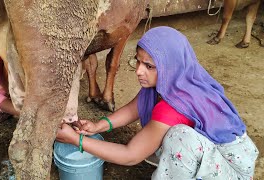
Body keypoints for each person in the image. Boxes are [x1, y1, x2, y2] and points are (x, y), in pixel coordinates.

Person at [56, 26, 259, 179]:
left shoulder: (173, 107)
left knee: (178, 137)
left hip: (231, 170)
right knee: (166, 135)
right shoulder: (179, 80)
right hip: (227, 154)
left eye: (149, 66)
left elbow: (130, 155)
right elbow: (135, 108)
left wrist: (77, 141)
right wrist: (98, 125)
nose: (138, 71)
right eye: (138, 61)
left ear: (168, 66)